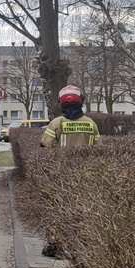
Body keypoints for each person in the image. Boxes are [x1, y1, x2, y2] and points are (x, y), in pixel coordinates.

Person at [39, 85, 100, 257]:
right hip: (86, 175)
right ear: (81, 102)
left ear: (62, 103)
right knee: (83, 210)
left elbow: (45, 147)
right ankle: (81, 244)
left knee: (57, 209)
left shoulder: (57, 123)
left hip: (61, 176)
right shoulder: (91, 124)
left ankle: (55, 244)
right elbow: (99, 149)